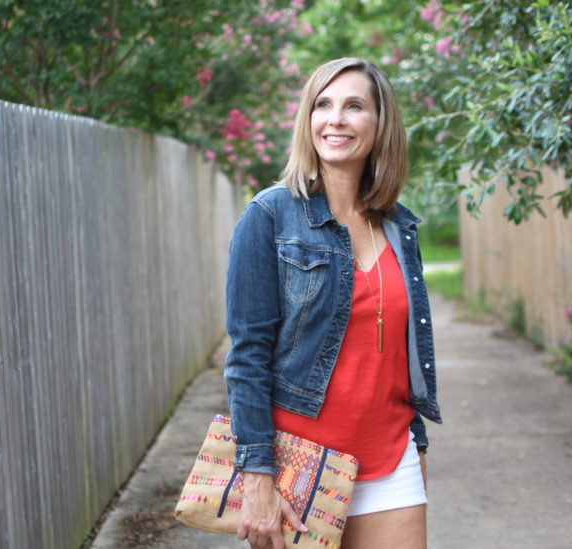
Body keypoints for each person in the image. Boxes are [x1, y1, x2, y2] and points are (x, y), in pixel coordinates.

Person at [223, 57, 442, 549]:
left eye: (354, 105)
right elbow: (247, 356)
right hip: (297, 465)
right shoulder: (269, 217)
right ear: (309, 119)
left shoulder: (398, 227)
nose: (336, 118)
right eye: (323, 104)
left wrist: (418, 443)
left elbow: (403, 357)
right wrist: (257, 474)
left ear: (380, 123)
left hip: (390, 461)